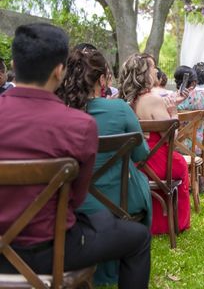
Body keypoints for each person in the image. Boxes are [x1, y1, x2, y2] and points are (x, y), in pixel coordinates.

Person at [0, 24, 150, 288]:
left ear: (13, 63)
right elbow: (75, 198)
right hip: (52, 251)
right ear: (60, 70)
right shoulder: (78, 125)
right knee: (137, 238)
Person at [57, 48, 152, 286]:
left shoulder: (58, 113)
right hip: (118, 199)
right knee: (135, 181)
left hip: (67, 200)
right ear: (102, 80)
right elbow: (141, 154)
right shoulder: (119, 109)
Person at [119, 53, 191, 235]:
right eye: (152, 68)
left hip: (133, 164)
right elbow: (171, 137)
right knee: (180, 163)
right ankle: (172, 223)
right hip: (159, 164)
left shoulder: (124, 101)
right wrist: (174, 111)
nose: (155, 71)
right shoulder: (153, 100)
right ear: (145, 73)